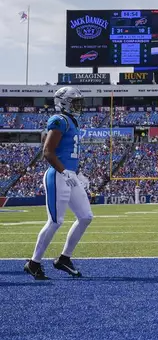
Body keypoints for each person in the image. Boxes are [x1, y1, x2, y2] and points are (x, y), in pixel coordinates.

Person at [24, 87, 93, 280]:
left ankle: (64, 258)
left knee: (86, 216)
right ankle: (34, 263)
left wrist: (78, 174)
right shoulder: (58, 120)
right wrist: (64, 172)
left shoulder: (72, 121)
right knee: (55, 221)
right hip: (58, 174)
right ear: (63, 102)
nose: (79, 105)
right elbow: (48, 151)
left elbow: (69, 153)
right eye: (75, 101)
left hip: (70, 174)